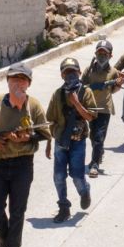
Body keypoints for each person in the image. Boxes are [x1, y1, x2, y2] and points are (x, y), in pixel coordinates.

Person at [0, 63, 52, 247]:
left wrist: (27, 138)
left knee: (18, 210)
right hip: (0, 163)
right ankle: (4, 236)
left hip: (23, 164)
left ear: (28, 83)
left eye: (22, 79)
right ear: (8, 81)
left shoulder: (33, 106)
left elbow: (45, 133)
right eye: (14, 79)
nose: (18, 83)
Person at [47, 57, 97, 222]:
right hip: (61, 141)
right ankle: (64, 206)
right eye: (67, 72)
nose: (70, 76)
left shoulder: (86, 92)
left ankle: (84, 191)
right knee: (59, 176)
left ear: (79, 73)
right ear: (62, 75)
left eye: (73, 72)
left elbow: (90, 116)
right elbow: (50, 119)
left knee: (77, 176)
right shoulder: (57, 94)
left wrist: (76, 104)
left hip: (78, 141)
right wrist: (52, 138)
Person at [81, 41, 123, 177]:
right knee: (92, 136)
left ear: (110, 55)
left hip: (104, 108)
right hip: (90, 109)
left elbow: (114, 90)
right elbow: (81, 87)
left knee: (99, 137)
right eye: (99, 52)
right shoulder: (88, 70)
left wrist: (118, 84)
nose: (102, 55)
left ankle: (94, 164)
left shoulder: (114, 72)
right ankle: (99, 153)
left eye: (105, 53)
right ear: (95, 53)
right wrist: (93, 87)